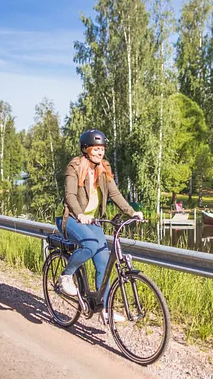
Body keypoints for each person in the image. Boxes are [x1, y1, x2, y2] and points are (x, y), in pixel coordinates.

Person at [59, 129, 143, 324]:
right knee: (90, 246)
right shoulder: (75, 166)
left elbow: (115, 194)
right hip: (70, 217)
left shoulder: (103, 169)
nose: (99, 153)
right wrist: (79, 214)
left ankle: (104, 309)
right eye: (95, 149)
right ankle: (66, 276)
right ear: (85, 149)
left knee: (104, 262)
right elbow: (70, 195)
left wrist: (132, 212)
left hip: (91, 219)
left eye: (102, 149)